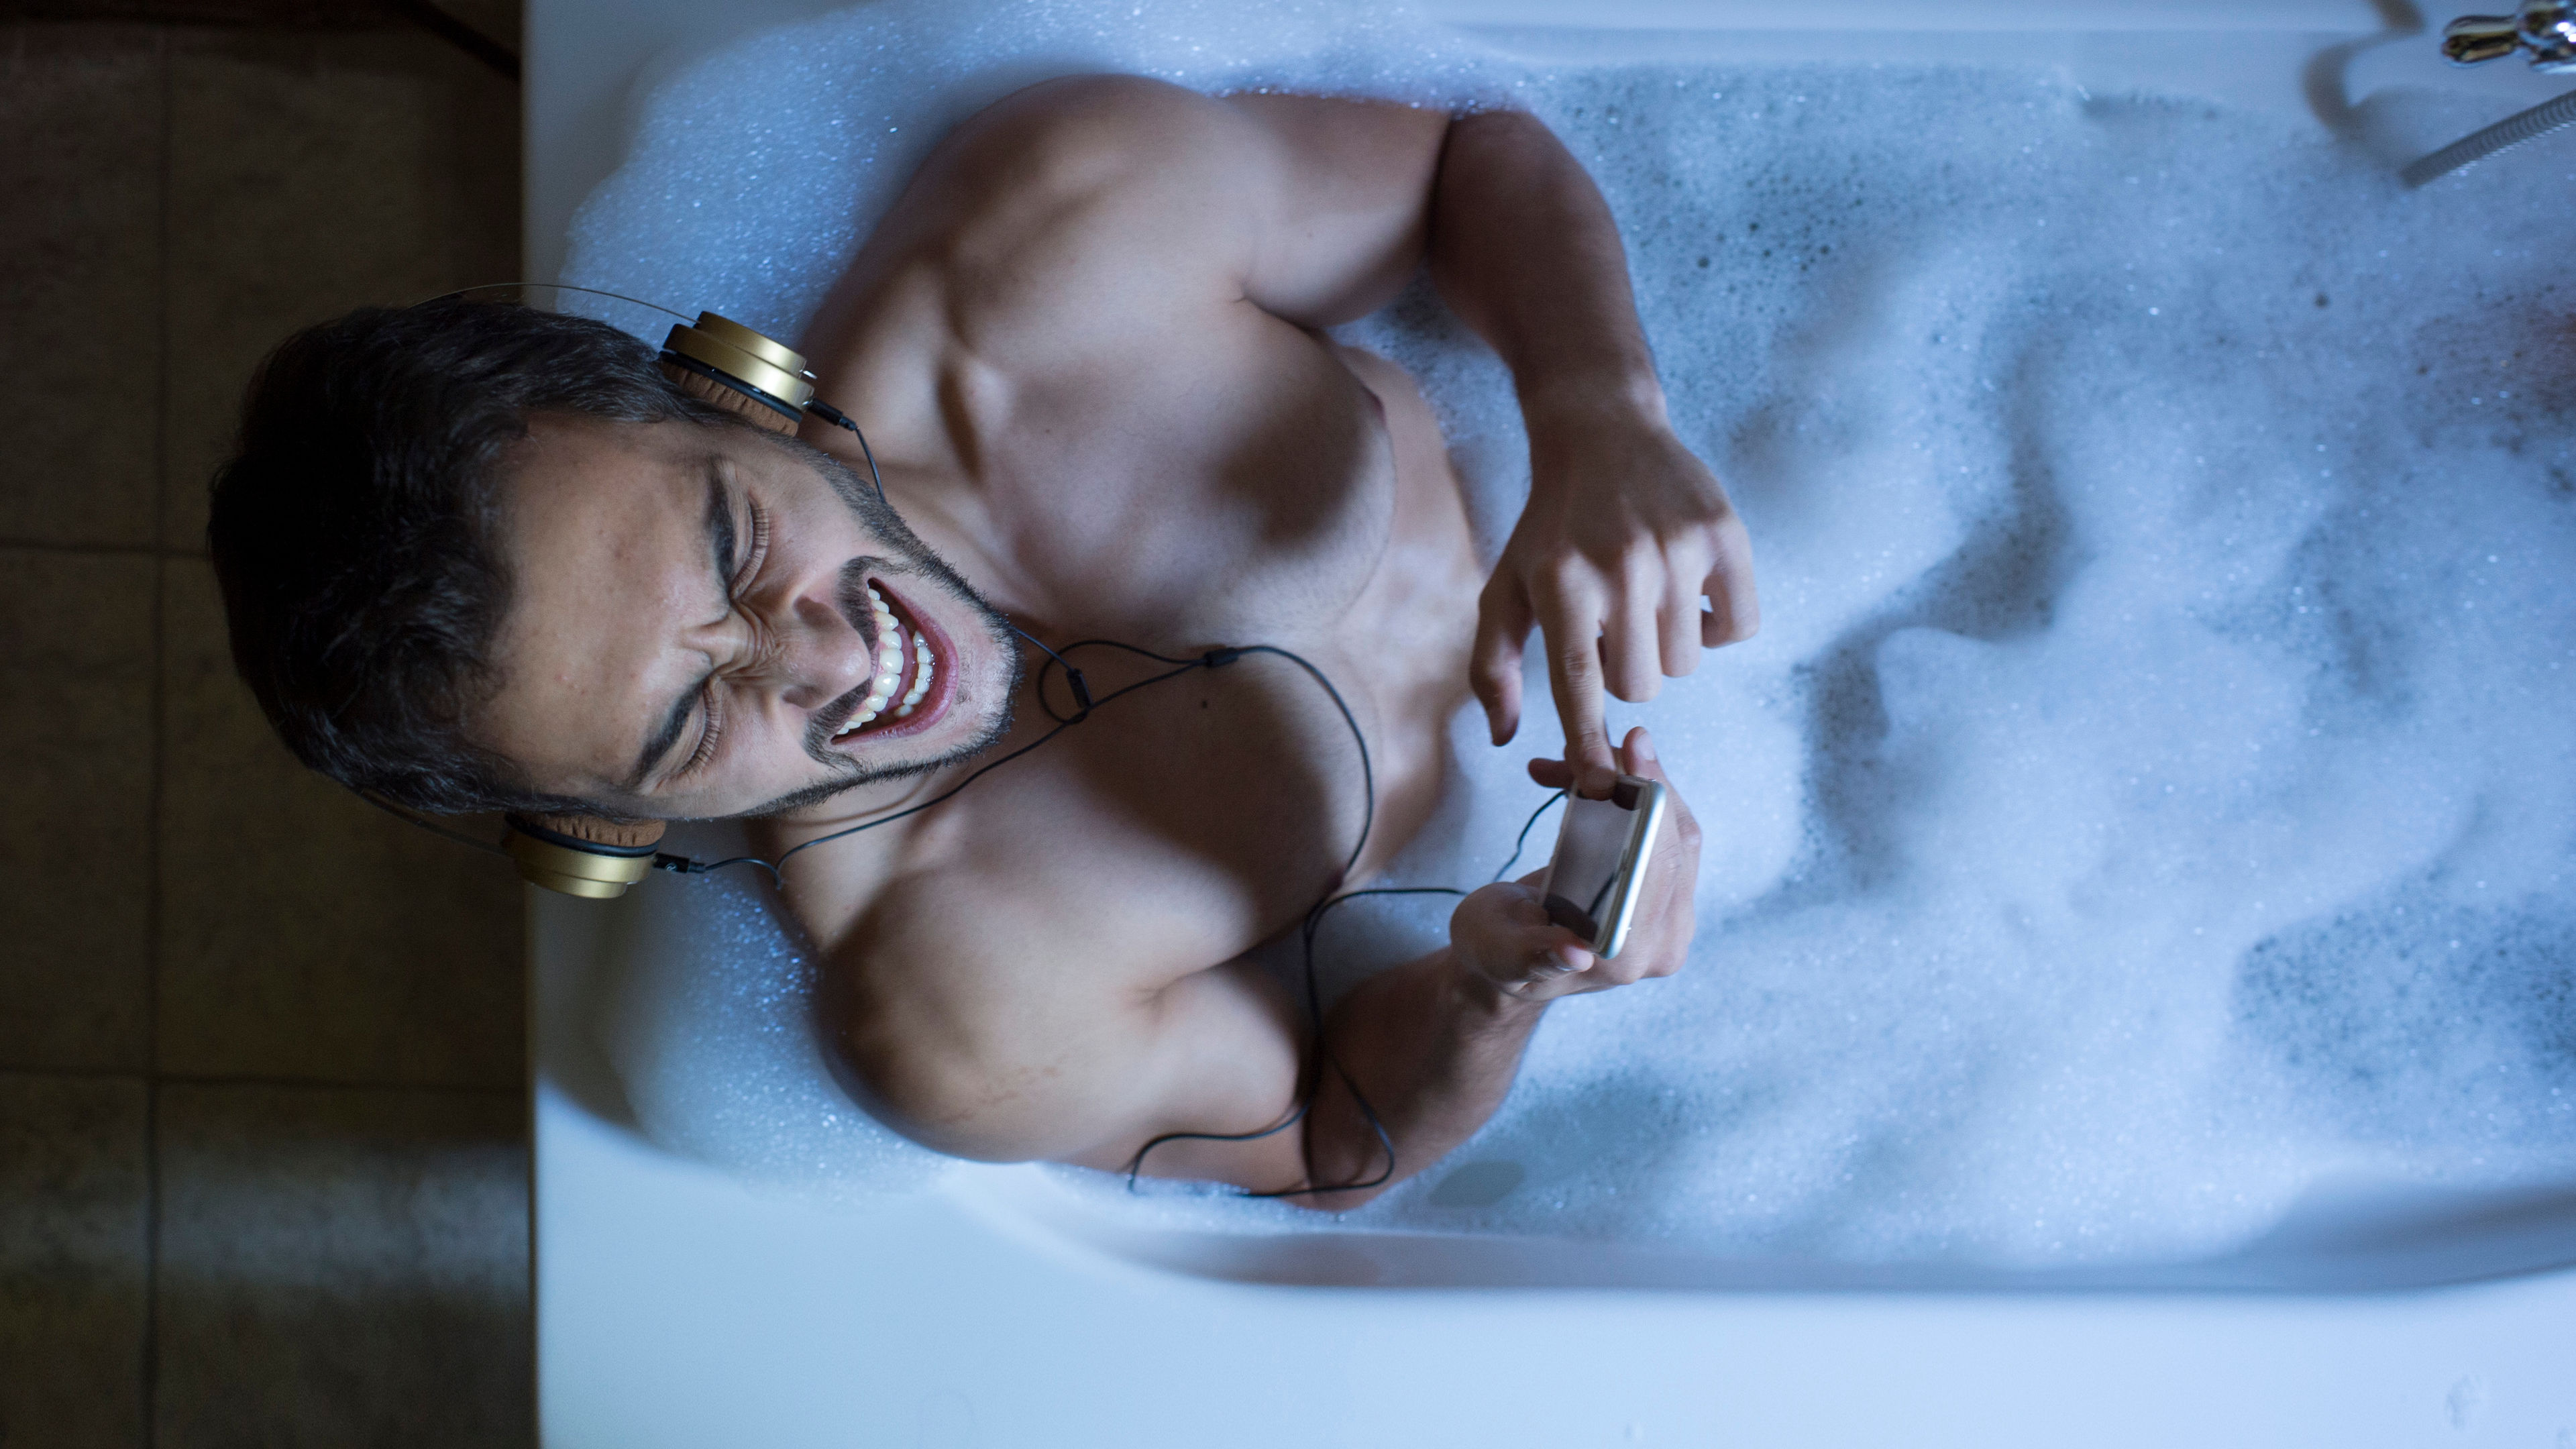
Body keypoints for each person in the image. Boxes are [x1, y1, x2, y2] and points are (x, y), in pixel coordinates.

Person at [209, 77, 1758, 1204]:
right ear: (615, 830)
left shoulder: (1049, 236)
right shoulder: (956, 1009)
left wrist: (1597, 412)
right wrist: (1496, 993)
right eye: (693, 723)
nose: (821, 664)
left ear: (717, 394)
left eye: (740, 545)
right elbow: (1336, 1134)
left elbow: (1466, 160)